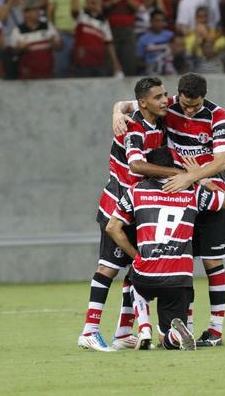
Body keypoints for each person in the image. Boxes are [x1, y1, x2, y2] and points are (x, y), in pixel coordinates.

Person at [113, 73, 225, 347]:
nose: (191, 110)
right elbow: (126, 105)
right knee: (184, 259)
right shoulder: (167, 104)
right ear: (178, 96)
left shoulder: (218, 115)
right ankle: (188, 326)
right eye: (186, 104)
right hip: (180, 189)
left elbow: (220, 162)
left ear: (204, 96)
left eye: (196, 105)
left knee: (212, 261)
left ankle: (216, 329)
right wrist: (116, 114)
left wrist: (191, 177)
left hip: (207, 187)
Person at [78, 77, 183, 352]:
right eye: (158, 97)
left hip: (136, 207)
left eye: (165, 95)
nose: (165, 100)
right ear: (144, 102)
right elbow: (136, 165)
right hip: (116, 207)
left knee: (134, 269)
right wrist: (180, 174)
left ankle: (124, 333)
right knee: (108, 267)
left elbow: (126, 103)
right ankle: (89, 331)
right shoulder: (133, 128)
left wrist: (116, 108)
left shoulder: (155, 116)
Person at [106, 147, 225, 350]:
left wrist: (136, 255)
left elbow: (112, 227)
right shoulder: (192, 191)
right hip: (179, 280)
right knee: (167, 340)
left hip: (146, 275)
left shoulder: (136, 191)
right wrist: (199, 177)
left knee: (132, 275)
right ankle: (173, 336)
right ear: (174, 167)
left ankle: (144, 327)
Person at [71, 0, 123, 77]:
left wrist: (116, 63)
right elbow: (74, 8)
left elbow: (109, 44)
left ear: (101, 0)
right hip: (82, 63)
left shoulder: (104, 21)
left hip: (100, 64)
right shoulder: (81, 14)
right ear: (86, 0)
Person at [10, 0, 62, 79]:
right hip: (28, 77)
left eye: (39, 9)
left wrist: (54, 43)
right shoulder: (17, 31)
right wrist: (20, 48)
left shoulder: (48, 26)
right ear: (26, 14)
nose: (38, 12)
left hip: (47, 74)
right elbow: (13, 53)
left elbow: (59, 47)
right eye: (35, 10)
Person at [136, 10, 175, 75]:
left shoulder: (170, 35)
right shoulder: (143, 39)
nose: (160, 23)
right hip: (151, 71)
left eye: (162, 21)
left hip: (169, 69)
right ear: (151, 21)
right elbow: (139, 59)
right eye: (157, 21)